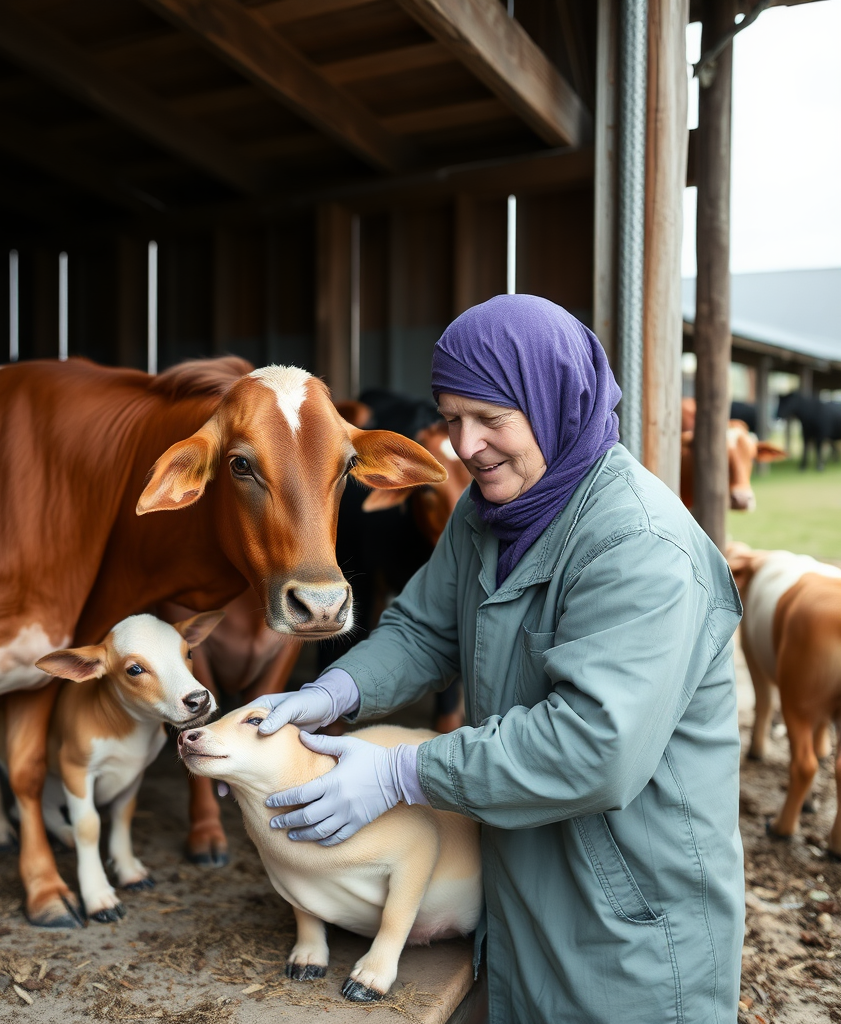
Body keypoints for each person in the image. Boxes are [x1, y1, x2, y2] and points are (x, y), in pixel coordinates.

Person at [252, 295, 745, 1024]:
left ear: (555, 403)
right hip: (521, 889)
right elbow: (423, 629)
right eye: (451, 418)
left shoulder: (638, 548)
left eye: (492, 419)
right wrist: (335, 692)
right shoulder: (484, 513)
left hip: (628, 922)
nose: (465, 445)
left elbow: (594, 748)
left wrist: (403, 773)